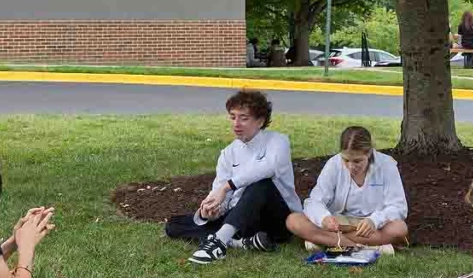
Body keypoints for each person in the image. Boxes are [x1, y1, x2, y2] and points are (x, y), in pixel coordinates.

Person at [165, 89, 303, 264]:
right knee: (174, 224)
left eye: (244, 118)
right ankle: (240, 243)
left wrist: (226, 187)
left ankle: (219, 242)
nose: (236, 124)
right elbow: (220, 192)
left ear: (260, 121)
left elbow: (268, 168)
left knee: (260, 184)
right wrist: (210, 210)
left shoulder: (278, 141)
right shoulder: (228, 153)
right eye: (233, 117)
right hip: (242, 220)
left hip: (277, 221)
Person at [286, 126, 409, 252]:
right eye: (346, 160)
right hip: (339, 222)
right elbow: (314, 201)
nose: (351, 166)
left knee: (399, 228)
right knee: (293, 220)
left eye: (357, 161)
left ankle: (327, 241)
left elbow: (398, 207)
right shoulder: (333, 164)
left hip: (372, 225)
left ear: (369, 153)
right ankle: (365, 246)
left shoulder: (387, 165)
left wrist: (374, 220)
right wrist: (324, 218)